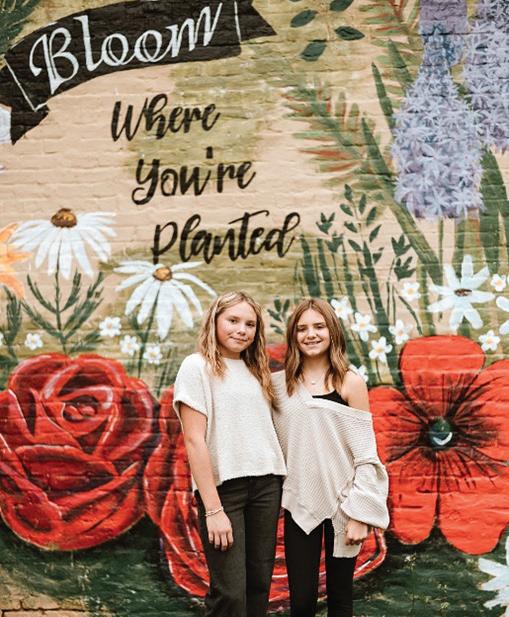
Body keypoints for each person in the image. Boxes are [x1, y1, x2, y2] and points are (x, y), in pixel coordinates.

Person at [272, 298, 389, 617]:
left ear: (332, 331)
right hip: (299, 502)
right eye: (302, 328)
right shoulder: (279, 386)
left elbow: (366, 455)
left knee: (340, 599)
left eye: (319, 326)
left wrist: (361, 514)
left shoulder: (350, 383)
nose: (310, 334)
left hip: (345, 505)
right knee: (302, 602)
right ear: (293, 335)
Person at [173, 290, 287, 617]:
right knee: (230, 594)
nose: (241, 330)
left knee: (259, 587)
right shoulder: (197, 367)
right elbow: (194, 440)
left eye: (250, 324)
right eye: (233, 320)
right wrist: (213, 509)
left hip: (266, 487)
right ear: (215, 321)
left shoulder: (258, 370)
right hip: (224, 492)